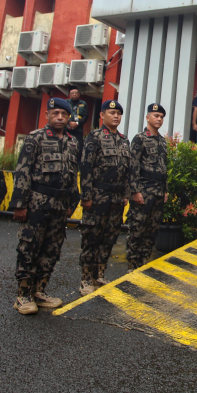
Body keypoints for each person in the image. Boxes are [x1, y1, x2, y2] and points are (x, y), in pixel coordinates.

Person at [9, 97, 80, 314]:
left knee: (52, 248)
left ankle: (39, 291)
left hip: (60, 205)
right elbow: (23, 171)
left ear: (69, 118)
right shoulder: (35, 138)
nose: (60, 117)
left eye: (64, 114)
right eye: (56, 113)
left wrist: (71, 202)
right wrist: (20, 204)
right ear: (47, 115)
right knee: (29, 247)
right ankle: (23, 296)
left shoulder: (73, 142)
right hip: (37, 202)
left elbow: (72, 174)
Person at [79, 100, 131, 295]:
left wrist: (125, 194)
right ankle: (85, 279)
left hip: (117, 198)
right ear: (102, 115)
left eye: (118, 113)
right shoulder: (95, 137)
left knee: (110, 237)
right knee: (91, 237)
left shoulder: (124, 140)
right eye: (112, 112)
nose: (116, 116)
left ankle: (99, 275)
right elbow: (86, 167)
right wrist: (86, 195)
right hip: (98, 195)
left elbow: (127, 171)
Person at [127, 103, 169, 271]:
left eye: (161, 117)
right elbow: (133, 166)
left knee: (152, 230)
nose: (159, 119)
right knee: (137, 229)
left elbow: (164, 167)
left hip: (158, 192)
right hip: (144, 191)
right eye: (156, 116)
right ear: (147, 117)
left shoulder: (162, 141)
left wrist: (165, 190)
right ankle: (132, 266)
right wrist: (135, 190)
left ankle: (143, 263)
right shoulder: (140, 138)